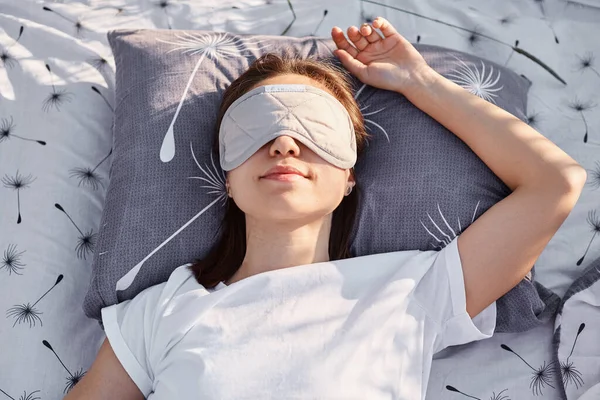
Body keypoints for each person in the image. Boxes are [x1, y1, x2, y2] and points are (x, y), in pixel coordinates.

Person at [66, 17, 586, 400]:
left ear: (349, 177)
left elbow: (555, 184)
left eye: (314, 130)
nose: (285, 144)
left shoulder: (411, 292)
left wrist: (420, 82)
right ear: (226, 177)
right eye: (258, 127)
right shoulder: (158, 312)